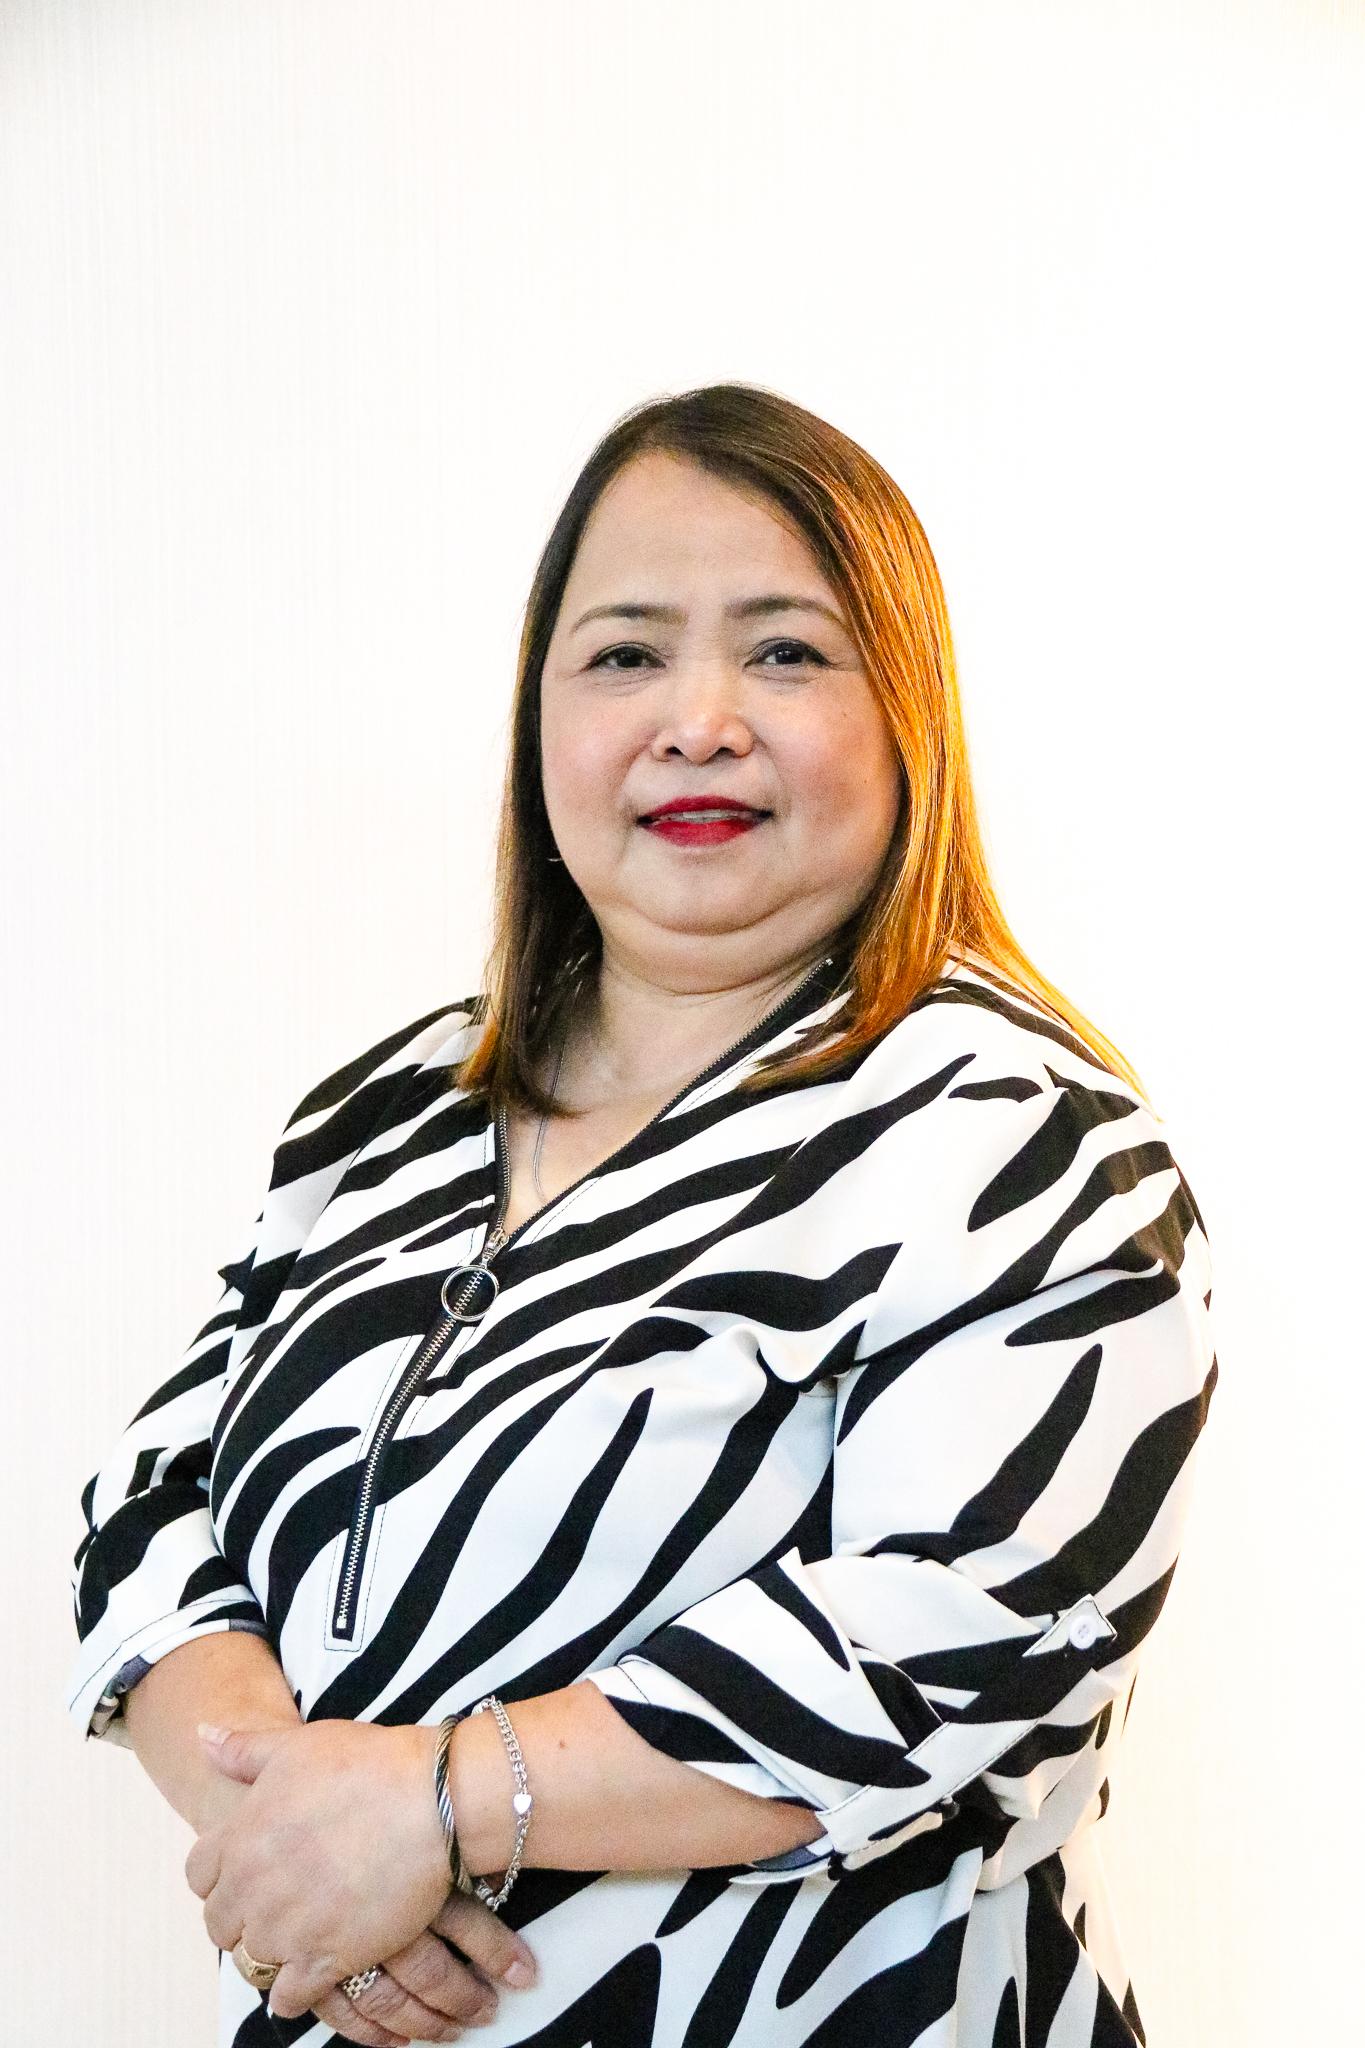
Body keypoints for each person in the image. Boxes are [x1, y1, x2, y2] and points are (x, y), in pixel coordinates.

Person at [66, 381, 1218, 2048]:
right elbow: (152, 1507)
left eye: (786, 652)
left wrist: (435, 1805)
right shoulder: (378, 1118)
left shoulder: (1016, 1133)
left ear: (909, 715)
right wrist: (289, 1821)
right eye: (623, 654)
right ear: (539, 719)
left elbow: (966, 1629)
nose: (697, 721)